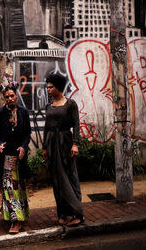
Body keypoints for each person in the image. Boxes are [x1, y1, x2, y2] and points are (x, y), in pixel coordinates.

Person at [43, 73, 84, 226]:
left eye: (50, 87)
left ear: (58, 87)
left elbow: (77, 125)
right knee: (57, 180)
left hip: (66, 143)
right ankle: (62, 213)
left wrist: (75, 144)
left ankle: (78, 213)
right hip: (52, 145)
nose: (48, 89)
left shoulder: (70, 104)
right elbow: (46, 128)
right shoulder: (49, 106)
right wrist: (44, 148)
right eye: (47, 87)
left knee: (70, 177)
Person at [0, 82, 31, 234]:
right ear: (4, 98)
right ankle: (16, 221)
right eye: (6, 96)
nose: (9, 99)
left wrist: (24, 147)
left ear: (16, 96)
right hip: (6, 158)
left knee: (19, 187)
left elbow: (28, 133)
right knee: (10, 188)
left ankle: (19, 214)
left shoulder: (23, 112)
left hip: (19, 157)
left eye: (12, 96)